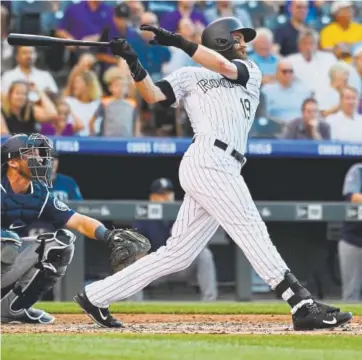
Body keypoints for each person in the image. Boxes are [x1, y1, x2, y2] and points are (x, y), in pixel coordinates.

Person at [74, 17, 352, 331]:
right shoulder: (190, 75)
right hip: (208, 158)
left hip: (226, 163)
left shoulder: (250, 71)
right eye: (237, 38)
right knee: (251, 228)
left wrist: (179, 41)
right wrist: (132, 60)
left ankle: (97, 295)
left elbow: (224, 66)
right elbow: (152, 94)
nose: (244, 44)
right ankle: (300, 303)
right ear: (220, 40)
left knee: (177, 254)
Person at [1, 133, 147, 326]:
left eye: (39, 153)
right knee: (8, 241)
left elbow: (78, 221)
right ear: (13, 162)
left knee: (62, 243)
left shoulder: (39, 193)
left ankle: (13, 309)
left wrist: (109, 236)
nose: (40, 159)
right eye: (31, 154)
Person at [130, 178, 218, 301]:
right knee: (131, 258)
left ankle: (209, 302)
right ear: (152, 196)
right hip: (157, 268)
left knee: (205, 254)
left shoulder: (183, 213)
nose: (166, 197)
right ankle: (134, 309)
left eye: (168, 193)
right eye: (161, 194)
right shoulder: (144, 217)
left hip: (182, 265)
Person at [287, 29, 337, 102]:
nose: (308, 47)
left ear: (317, 45)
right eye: (305, 44)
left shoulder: (329, 58)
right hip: (299, 101)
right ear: (299, 46)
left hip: (327, 100)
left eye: (311, 43)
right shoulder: (290, 61)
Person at [89, 66, 140, 137]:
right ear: (110, 87)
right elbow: (92, 121)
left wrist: (136, 137)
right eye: (116, 85)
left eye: (123, 85)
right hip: (108, 141)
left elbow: (136, 122)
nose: (120, 88)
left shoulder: (132, 104)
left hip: (127, 140)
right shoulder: (105, 103)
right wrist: (94, 137)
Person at [339, 163, 362, 301]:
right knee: (351, 294)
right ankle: (351, 323)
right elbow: (352, 197)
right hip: (353, 240)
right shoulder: (358, 170)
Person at [262, 59, 312, 124]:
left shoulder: (304, 90)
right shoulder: (267, 91)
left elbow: (310, 113)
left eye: (290, 71)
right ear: (277, 73)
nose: (288, 74)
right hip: (277, 127)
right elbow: (263, 115)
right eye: (284, 71)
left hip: (301, 127)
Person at [63, 70, 103, 136]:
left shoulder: (98, 105)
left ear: (88, 85)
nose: (74, 85)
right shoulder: (68, 102)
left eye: (78, 82)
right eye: (74, 82)